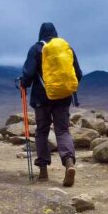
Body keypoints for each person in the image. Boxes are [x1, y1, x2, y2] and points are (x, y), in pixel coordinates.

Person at [18, 22, 82, 186]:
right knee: (62, 131)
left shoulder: (36, 49)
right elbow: (78, 74)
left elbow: (29, 74)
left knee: (42, 132)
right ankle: (69, 163)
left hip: (42, 98)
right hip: (63, 98)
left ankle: (43, 171)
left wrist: (23, 83)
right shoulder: (66, 48)